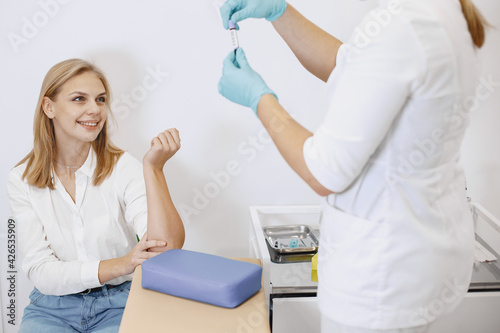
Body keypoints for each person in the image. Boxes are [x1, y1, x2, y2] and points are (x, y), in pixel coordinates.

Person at [217, 0, 488, 332]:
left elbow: (324, 170)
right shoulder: (445, 14)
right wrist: (280, 12)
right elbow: (353, 68)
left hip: (381, 279)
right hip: (417, 258)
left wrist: (259, 99)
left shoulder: (404, 27)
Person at [7, 58, 185, 332]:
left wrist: (155, 169)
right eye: (79, 99)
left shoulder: (124, 167)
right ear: (49, 107)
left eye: (100, 100)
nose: (95, 110)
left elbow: (166, 250)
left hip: (119, 303)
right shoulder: (21, 179)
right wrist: (122, 264)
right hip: (51, 308)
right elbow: (41, 271)